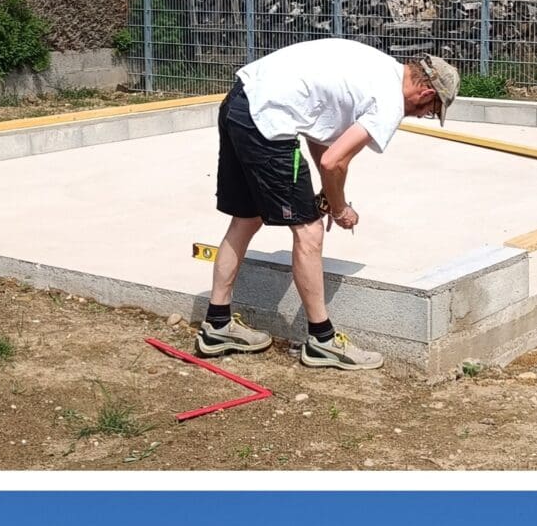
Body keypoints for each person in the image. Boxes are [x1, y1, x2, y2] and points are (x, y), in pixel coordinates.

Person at [193, 41, 460, 370]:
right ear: (426, 93)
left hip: (241, 102)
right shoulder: (389, 101)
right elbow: (335, 161)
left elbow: (319, 135)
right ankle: (322, 341)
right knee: (309, 232)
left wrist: (328, 194)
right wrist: (339, 207)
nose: (421, 115)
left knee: (246, 218)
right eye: (430, 110)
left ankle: (217, 325)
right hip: (268, 122)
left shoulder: (376, 68)